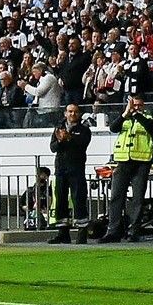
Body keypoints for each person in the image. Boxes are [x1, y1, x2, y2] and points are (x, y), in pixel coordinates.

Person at [101, 94, 153, 242]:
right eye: (134, 105)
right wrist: (125, 114)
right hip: (123, 161)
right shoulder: (125, 118)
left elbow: (151, 128)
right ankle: (113, 231)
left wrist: (136, 114)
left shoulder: (148, 119)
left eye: (138, 105)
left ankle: (134, 231)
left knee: (137, 198)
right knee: (116, 197)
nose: (136, 108)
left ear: (143, 106)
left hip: (141, 162)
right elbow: (113, 128)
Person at [49, 104, 92, 243]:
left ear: (79, 114)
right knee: (60, 200)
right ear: (65, 113)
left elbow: (82, 144)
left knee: (78, 199)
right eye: (70, 111)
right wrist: (61, 140)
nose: (72, 114)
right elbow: (53, 148)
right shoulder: (58, 128)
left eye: (75, 112)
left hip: (76, 169)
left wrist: (69, 138)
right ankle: (63, 233)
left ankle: (81, 234)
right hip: (61, 170)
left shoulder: (84, 129)